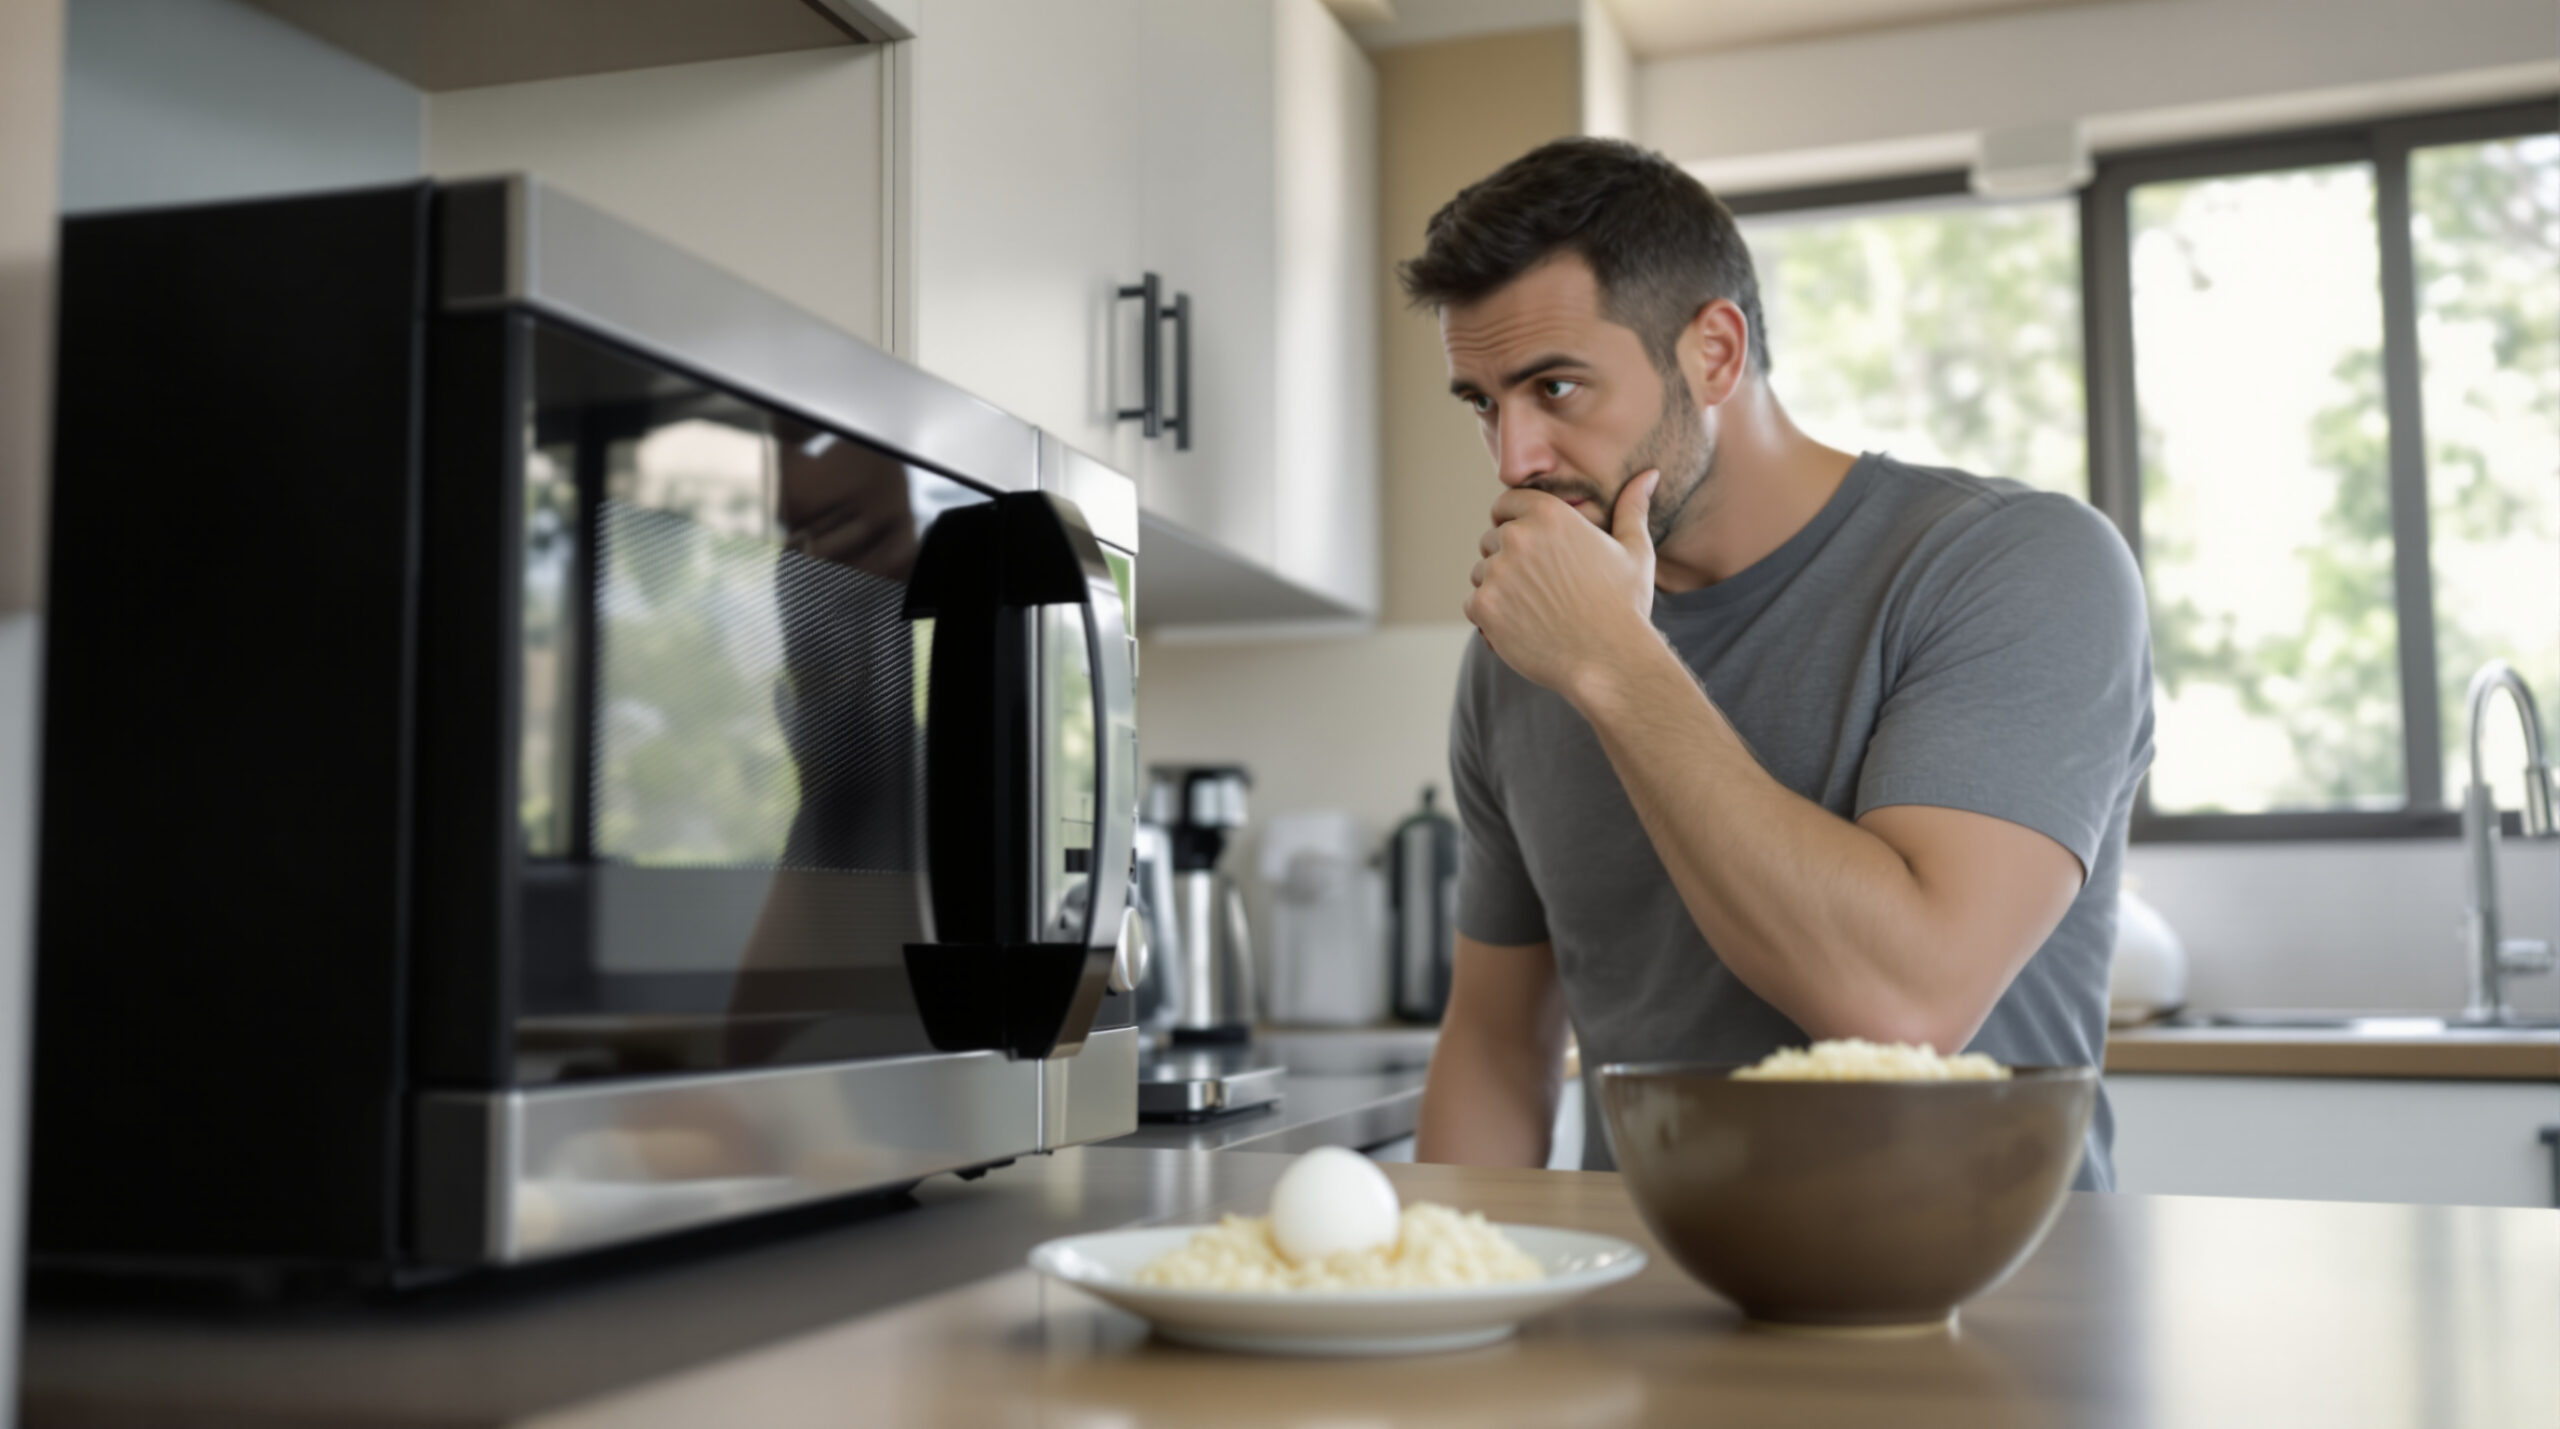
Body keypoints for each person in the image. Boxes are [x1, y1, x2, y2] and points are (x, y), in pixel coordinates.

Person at [1403, 137, 2153, 1189]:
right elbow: (1493, 1044)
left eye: (1556, 388)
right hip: (1646, 1314)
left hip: (1987, 1316)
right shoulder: (1520, 660)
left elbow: (1905, 1003)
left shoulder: (2015, 565)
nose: (1514, 457)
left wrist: (1613, 660)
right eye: (1483, 403)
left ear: (1712, 352)